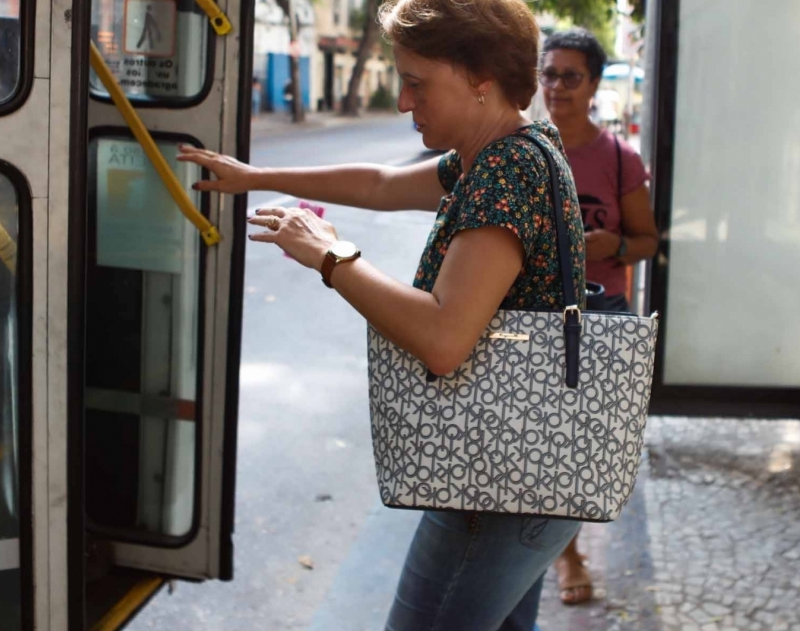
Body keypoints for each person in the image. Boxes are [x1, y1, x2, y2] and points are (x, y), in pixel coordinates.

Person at [180, 1, 586, 628]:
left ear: (480, 78)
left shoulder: (507, 169)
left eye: (417, 83)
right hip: (524, 472)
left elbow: (445, 338)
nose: (402, 102)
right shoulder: (512, 148)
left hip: (493, 486)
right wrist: (255, 175)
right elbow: (380, 184)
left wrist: (331, 256)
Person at [538, 28, 659, 605]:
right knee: (542, 439)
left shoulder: (618, 158)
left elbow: (648, 241)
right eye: (549, 74)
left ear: (592, 85)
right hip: (534, 314)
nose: (557, 86)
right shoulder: (524, 150)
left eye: (571, 76)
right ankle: (564, 555)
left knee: (581, 443)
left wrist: (616, 245)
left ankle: (564, 545)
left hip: (601, 318)